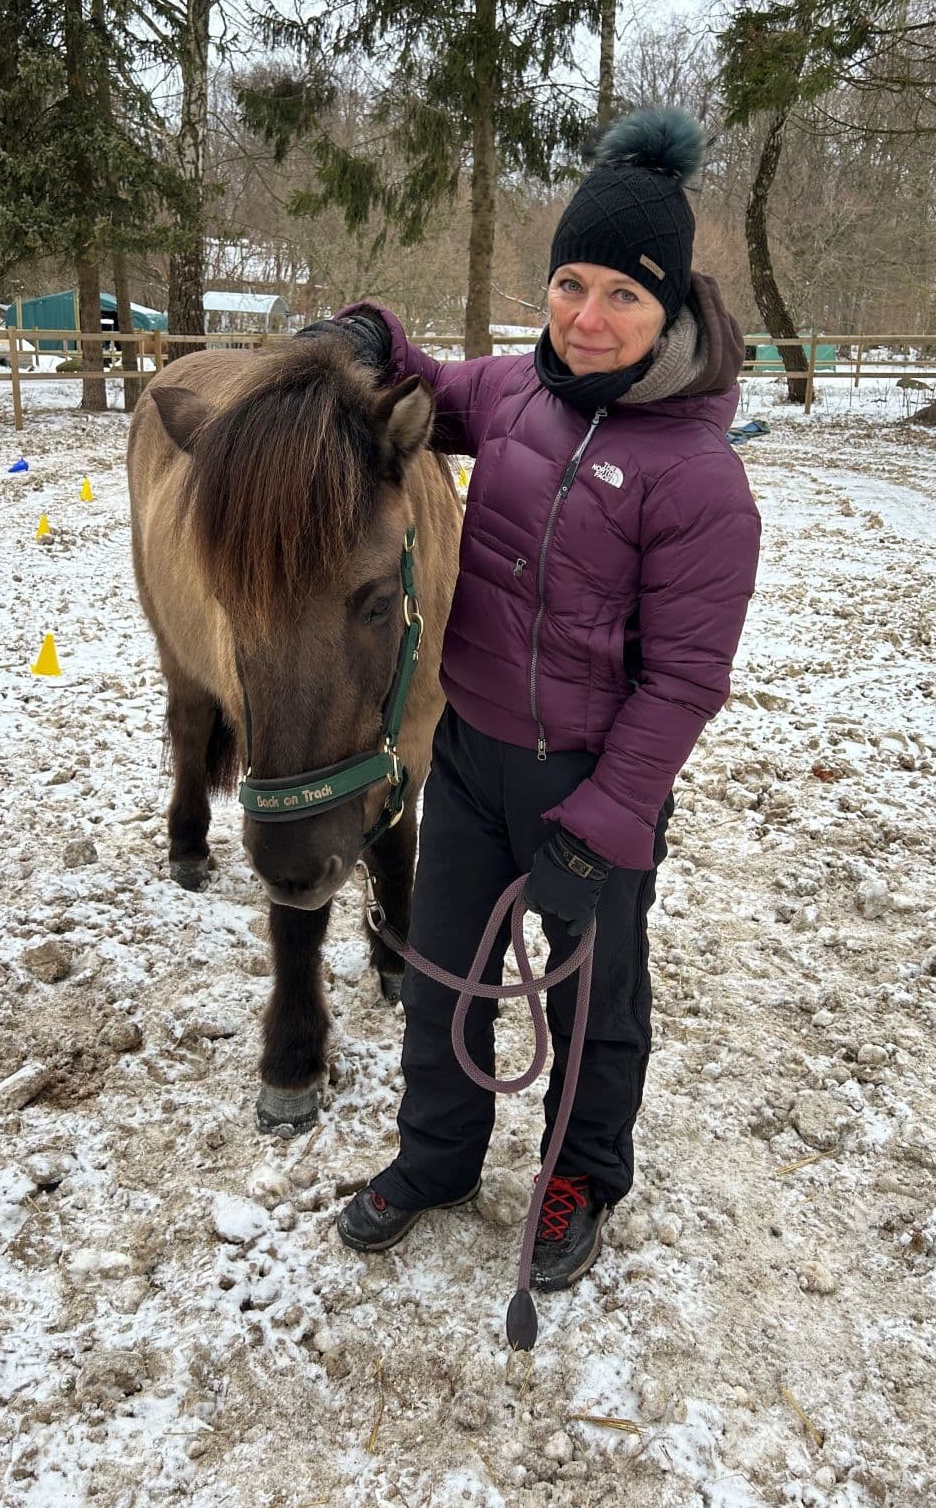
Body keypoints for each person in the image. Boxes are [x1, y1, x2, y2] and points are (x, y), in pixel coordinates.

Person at [310, 108, 761, 1294]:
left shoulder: (699, 477)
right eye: (570, 281)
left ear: (671, 309)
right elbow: (420, 379)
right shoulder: (515, 392)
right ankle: (436, 1156)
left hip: (592, 780)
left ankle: (580, 1170)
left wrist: (604, 823)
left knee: (595, 996)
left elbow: (683, 680)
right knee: (443, 964)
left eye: (622, 293)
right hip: (468, 751)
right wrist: (366, 331)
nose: (587, 316)